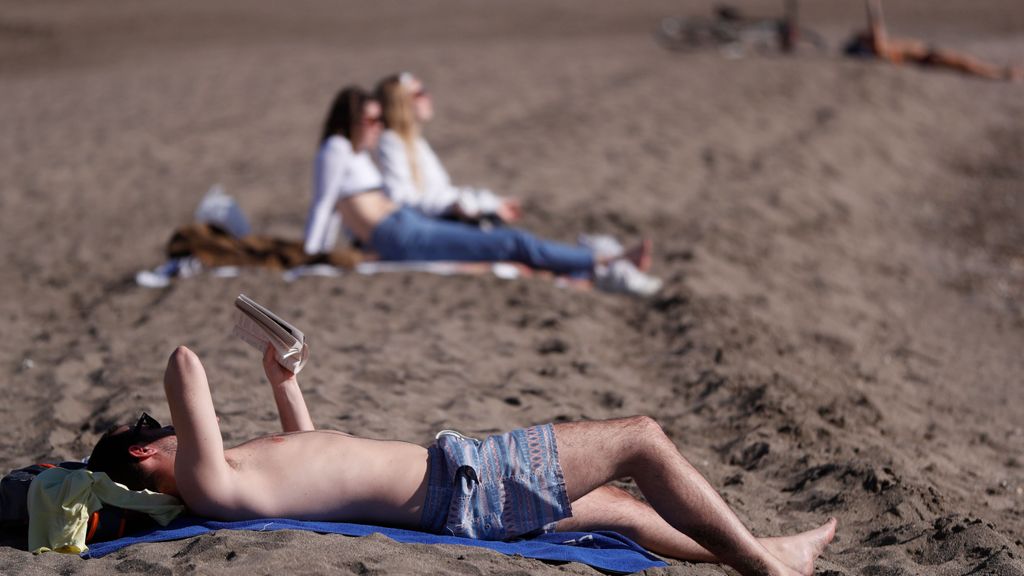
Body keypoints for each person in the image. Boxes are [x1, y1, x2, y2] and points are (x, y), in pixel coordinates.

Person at [88, 346, 837, 576]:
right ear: (147, 447)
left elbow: (313, 460)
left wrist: (284, 382)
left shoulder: (230, 484)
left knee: (619, 510)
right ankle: (768, 572)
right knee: (640, 436)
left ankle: (767, 551)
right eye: (159, 429)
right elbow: (185, 365)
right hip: (465, 485)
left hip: (459, 490)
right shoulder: (208, 482)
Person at [301, 86, 661, 296]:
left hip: (402, 224)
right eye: (371, 120)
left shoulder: (353, 153)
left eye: (381, 119)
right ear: (348, 120)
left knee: (496, 242)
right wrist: (311, 258)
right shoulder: (335, 148)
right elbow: (324, 205)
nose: (379, 127)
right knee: (510, 243)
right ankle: (605, 263)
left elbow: (342, 210)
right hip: (399, 232)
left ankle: (587, 272)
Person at [374, 72, 520, 225]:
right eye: (419, 93)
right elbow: (402, 199)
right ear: (400, 103)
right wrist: (454, 206)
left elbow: (441, 192)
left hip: (437, 220)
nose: (428, 97)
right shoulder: (390, 142)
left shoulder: (414, 142)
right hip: (428, 227)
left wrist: (492, 203)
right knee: (517, 242)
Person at [844, 0, 1022, 82]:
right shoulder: (881, 48)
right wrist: (873, 6)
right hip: (927, 57)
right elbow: (877, 31)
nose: (865, 33)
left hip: (928, 55)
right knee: (966, 64)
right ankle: (1003, 74)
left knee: (967, 63)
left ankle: (1002, 73)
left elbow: (876, 33)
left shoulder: (882, 47)